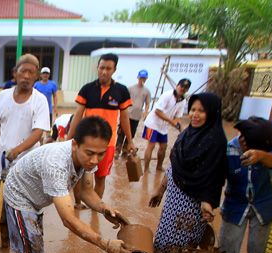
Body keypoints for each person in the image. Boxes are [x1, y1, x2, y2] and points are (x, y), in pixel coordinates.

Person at [3, 116, 131, 253]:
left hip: (35, 194)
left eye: (100, 154)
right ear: (74, 145)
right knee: (33, 250)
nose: (94, 160)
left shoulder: (88, 159)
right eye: (89, 153)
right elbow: (69, 220)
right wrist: (105, 244)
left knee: (29, 243)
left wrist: (105, 208)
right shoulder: (56, 165)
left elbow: (86, 191)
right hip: (19, 194)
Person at [145, 93, 227, 253]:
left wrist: (207, 202)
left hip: (192, 204)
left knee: (181, 248)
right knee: (163, 240)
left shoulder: (216, 141)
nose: (195, 115)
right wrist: (160, 189)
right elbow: (175, 165)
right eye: (193, 110)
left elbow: (215, 176)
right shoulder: (186, 134)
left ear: (212, 113)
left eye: (201, 111)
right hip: (173, 200)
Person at [0, 54, 50, 243]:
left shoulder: (40, 100)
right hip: (2, 166)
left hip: (27, 168)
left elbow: (38, 132)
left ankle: (27, 247)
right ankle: (3, 244)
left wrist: (18, 150)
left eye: (31, 72)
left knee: (28, 210)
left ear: (36, 75)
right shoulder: (3, 96)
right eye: (23, 71)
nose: (27, 76)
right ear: (15, 73)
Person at [215, 117, 272, 253]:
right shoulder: (229, 149)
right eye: (243, 139)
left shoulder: (270, 142)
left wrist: (261, 155)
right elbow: (217, 179)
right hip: (235, 202)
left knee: (257, 248)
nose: (245, 143)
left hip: (264, 202)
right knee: (227, 246)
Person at [67, 53, 134, 203]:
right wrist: (68, 138)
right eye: (102, 68)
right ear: (97, 68)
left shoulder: (121, 91)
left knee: (100, 177)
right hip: (85, 142)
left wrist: (130, 141)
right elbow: (78, 115)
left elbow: (124, 118)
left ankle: (95, 209)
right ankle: (77, 203)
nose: (104, 71)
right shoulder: (87, 89)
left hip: (107, 144)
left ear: (114, 70)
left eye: (108, 68)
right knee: (78, 175)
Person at [142, 78, 190, 172]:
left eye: (185, 88)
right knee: (151, 146)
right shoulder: (167, 95)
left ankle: (159, 167)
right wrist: (171, 121)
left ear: (187, 90)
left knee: (163, 147)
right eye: (181, 86)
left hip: (163, 127)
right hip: (152, 123)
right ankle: (146, 169)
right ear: (177, 86)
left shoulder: (183, 101)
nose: (183, 89)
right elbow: (158, 111)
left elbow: (178, 117)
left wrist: (179, 126)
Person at [117, 70, 151, 156]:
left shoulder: (147, 91)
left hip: (136, 116)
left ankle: (125, 150)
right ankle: (117, 150)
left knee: (131, 134)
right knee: (121, 133)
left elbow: (147, 103)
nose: (142, 80)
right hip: (127, 115)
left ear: (146, 79)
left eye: (144, 78)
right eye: (141, 78)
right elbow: (123, 101)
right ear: (138, 77)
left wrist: (146, 112)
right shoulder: (130, 88)